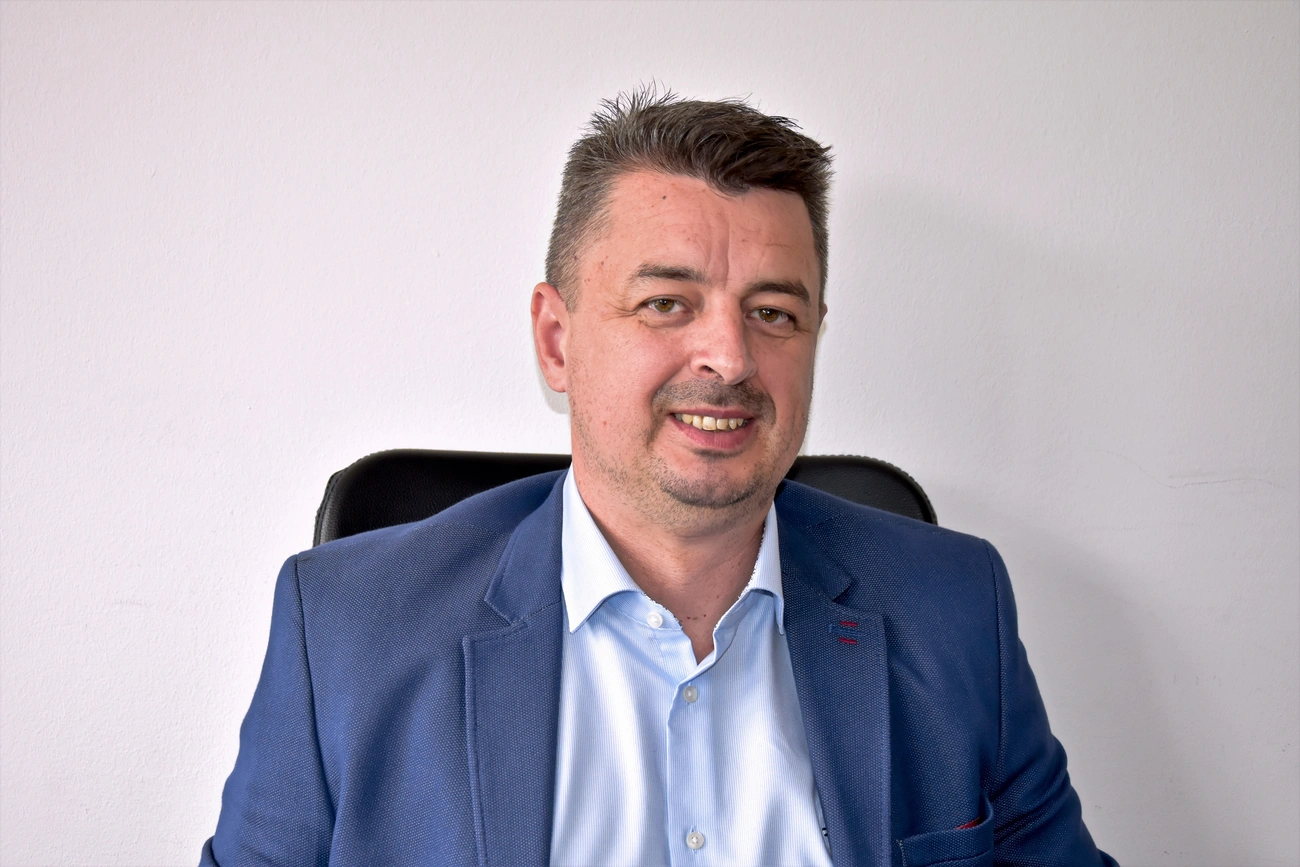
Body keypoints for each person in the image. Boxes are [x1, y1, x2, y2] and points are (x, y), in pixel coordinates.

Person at [202, 89, 1117, 866]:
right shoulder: (348, 632)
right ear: (557, 341)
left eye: (773, 312)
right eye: (666, 303)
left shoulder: (952, 607)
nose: (729, 357)